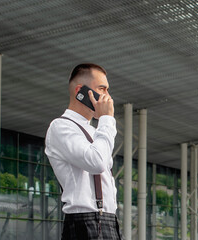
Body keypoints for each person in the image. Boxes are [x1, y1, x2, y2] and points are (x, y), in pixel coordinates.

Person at [45, 63, 123, 239]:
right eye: (102, 89)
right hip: (85, 222)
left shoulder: (96, 132)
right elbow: (96, 162)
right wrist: (106, 119)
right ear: (81, 91)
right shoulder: (60, 127)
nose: (108, 97)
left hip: (109, 221)